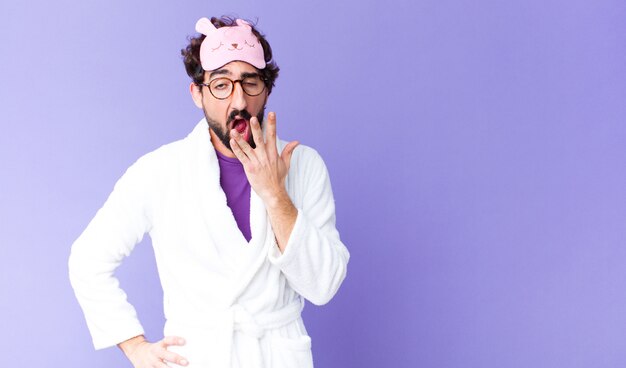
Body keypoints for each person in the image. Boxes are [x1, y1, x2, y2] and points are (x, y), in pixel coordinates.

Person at [68, 16, 350, 368]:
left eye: (250, 83)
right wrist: (135, 346)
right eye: (221, 85)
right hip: (199, 356)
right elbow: (87, 260)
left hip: (276, 355)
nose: (239, 101)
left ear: (266, 89)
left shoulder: (304, 165)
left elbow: (323, 286)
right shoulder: (159, 171)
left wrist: (276, 196)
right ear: (197, 93)